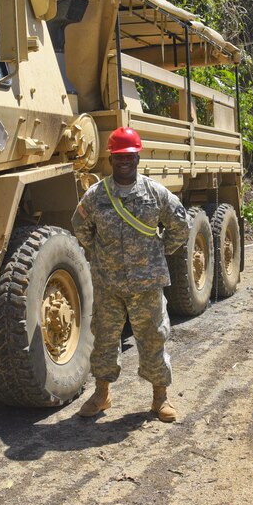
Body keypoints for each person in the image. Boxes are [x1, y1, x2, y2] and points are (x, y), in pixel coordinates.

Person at [71, 127, 191, 422]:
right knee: (104, 339)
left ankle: (160, 398)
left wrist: (159, 253)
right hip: (108, 285)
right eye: (119, 157)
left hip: (146, 285)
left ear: (138, 157)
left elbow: (181, 225)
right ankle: (102, 395)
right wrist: (101, 257)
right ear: (111, 159)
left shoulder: (155, 193)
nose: (124, 161)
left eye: (129, 156)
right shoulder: (96, 195)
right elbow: (80, 227)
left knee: (153, 338)